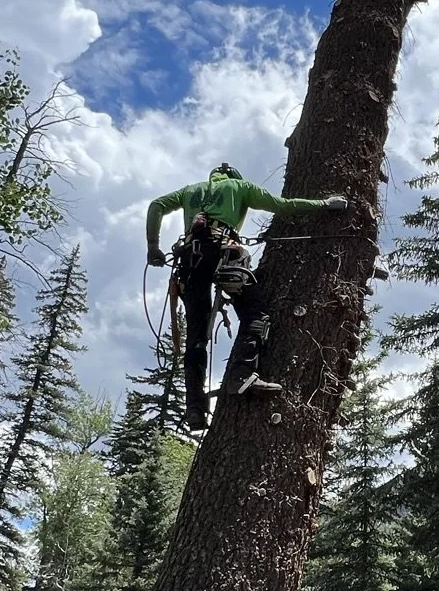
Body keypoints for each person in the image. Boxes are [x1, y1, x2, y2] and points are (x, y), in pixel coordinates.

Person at [146, 162, 348, 431]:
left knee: (196, 338)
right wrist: (323, 205)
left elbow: (156, 205)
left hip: (189, 263)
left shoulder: (190, 191)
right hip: (222, 254)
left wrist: (153, 247)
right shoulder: (241, 187)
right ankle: (241, 375)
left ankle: (194, 408)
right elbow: (283, 205)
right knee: (256, 312)